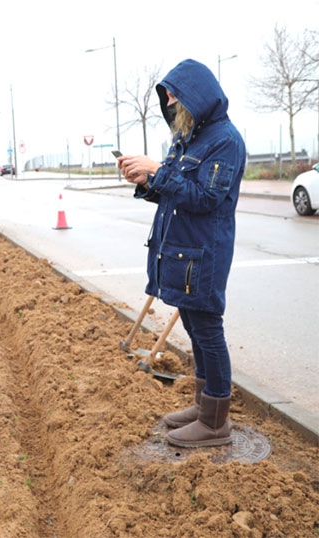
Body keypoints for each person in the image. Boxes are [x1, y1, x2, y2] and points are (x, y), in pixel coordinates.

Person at [117, 59, 246, 448]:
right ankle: (203, 407)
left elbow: (206, 198)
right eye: (167, 97)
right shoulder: (186, 137)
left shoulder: (225, 140)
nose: (170, 103)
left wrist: (158, 170)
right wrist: (147, 181)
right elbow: (174, 192)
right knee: (194, 329)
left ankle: (216, 421)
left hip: (203, 256)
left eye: (175, 95)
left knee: (208, 331)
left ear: (197, 95)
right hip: (180, 253)